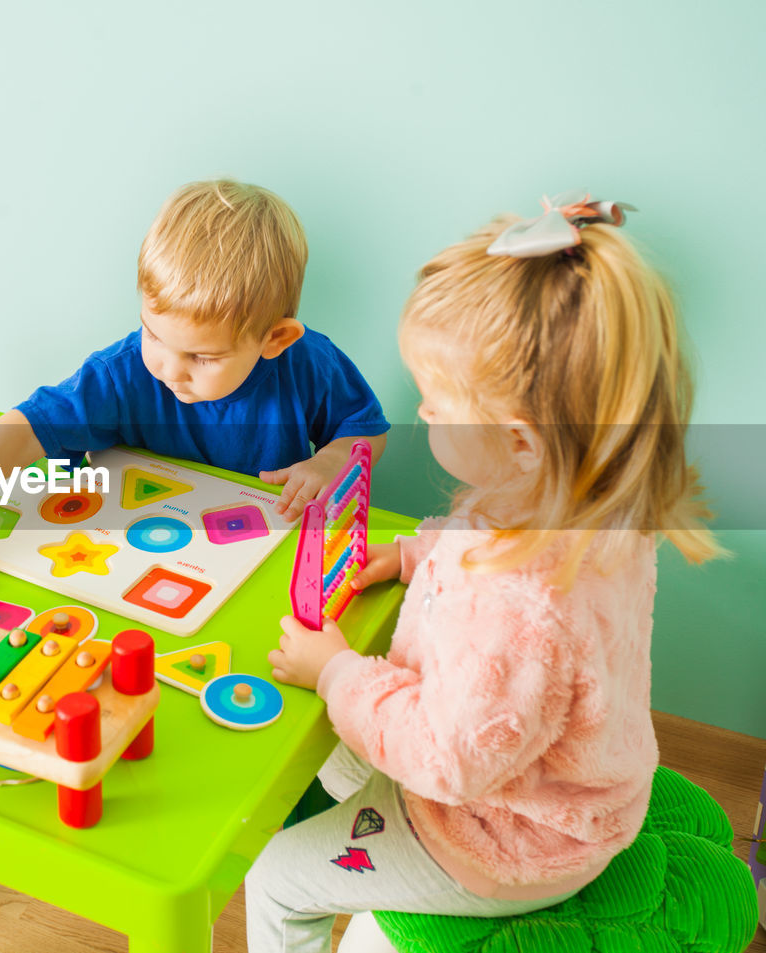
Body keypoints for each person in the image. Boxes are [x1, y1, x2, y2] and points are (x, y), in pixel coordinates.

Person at [247, 194, 721, 951]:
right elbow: (479, 544)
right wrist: (412, 555)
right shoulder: (584, 498)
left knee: (272, 876)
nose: (422, 415)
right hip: (556, 795)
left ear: (521, 440)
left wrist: (338, 672)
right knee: (332, 767)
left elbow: (445, 759)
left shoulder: (522, 598)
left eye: (435, 407)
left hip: (501, 838)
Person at [0, 179, 389, 554]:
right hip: (117, 549)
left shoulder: (309, 365)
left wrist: (332, 462)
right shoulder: (121, 374)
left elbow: (364, 431)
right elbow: (28, 427)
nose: (168, 368)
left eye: (201, 357)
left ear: (274, 339)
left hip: (251, 548)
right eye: (152, 333)